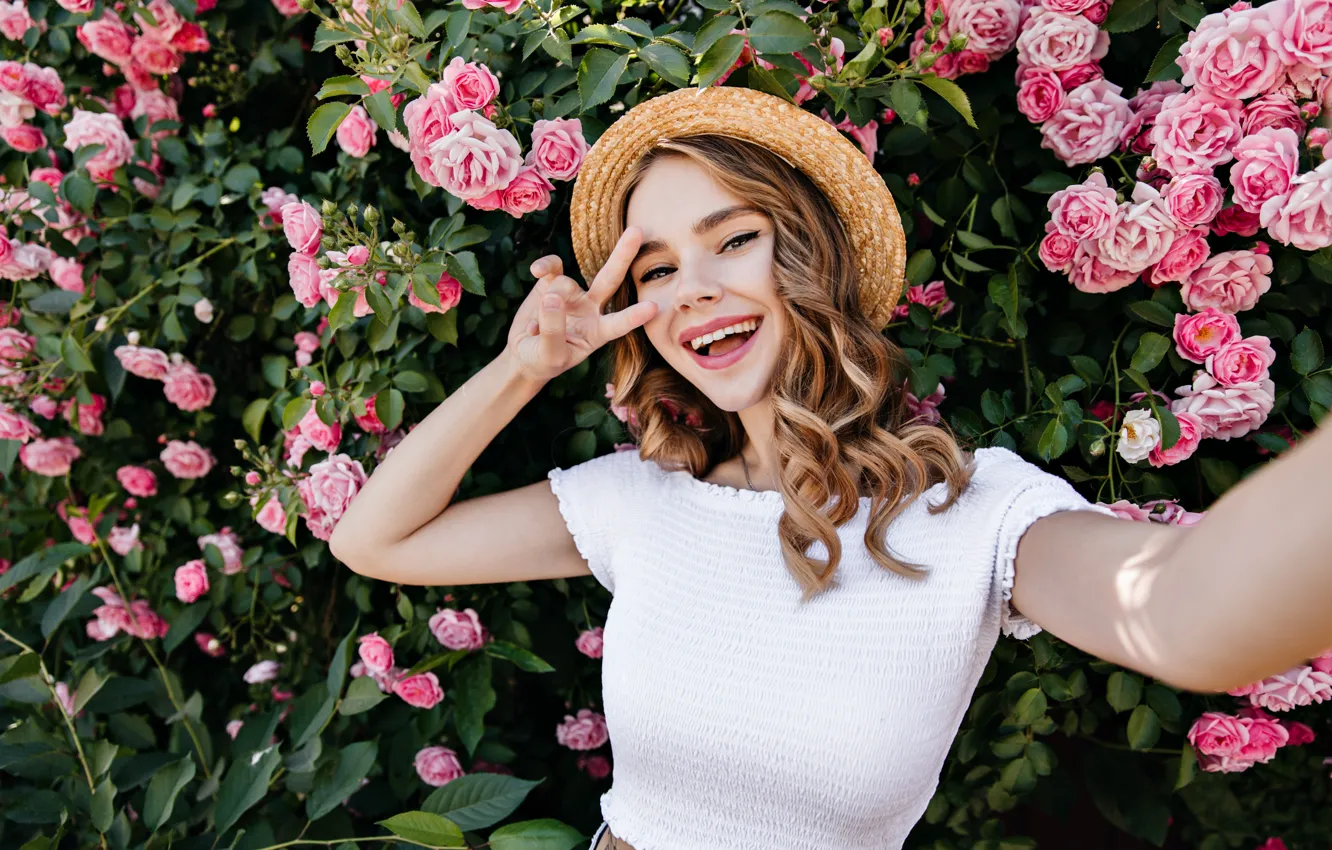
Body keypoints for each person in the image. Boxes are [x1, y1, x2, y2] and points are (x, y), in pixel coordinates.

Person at [329, 87, 1332, 850]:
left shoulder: (977, 512)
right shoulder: (639, 500)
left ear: (807, 253)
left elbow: (1185, 610)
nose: (694, 291)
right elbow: (373, 538)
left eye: (735, 240)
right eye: (658, 268)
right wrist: (524, 366)